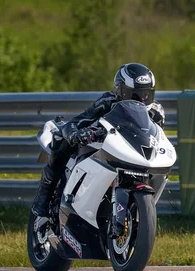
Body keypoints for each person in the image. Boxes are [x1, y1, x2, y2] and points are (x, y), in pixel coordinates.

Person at [31, 63, 165, 219]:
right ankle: (44, 197)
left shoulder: (157, 112)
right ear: (120, 90)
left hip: (133, 153)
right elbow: (77, 121)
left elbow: (157, 135)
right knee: (61, 138)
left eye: (146, 94)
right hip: (103, 144)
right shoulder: (108, 101)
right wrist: (76, 133)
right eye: (134, 94)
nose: (141, 99)